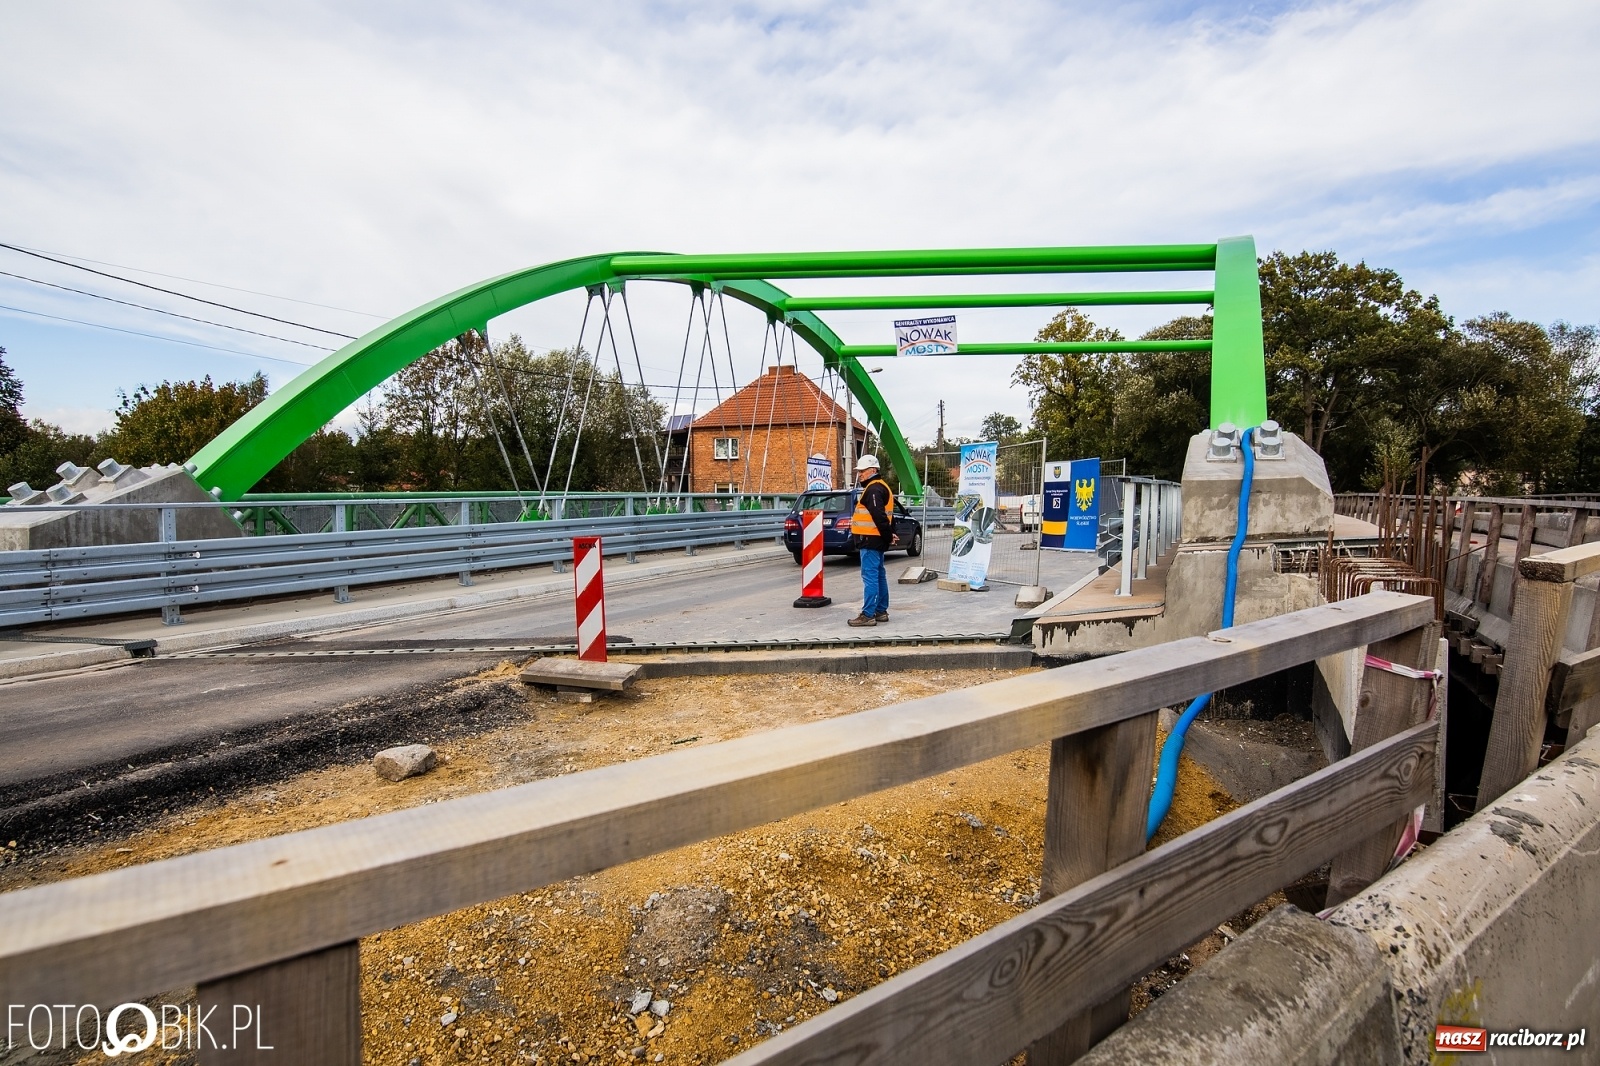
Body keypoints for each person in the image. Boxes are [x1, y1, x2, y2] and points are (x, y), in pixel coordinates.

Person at [847, 454, 897, 627]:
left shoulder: (873, 489)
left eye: (862, 471)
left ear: (873, 470)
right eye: (859, 471)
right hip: (876, 539)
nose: (860, 474)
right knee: (879, 575)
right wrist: (890, 533)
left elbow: (878, 515)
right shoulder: (882, 487)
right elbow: (888, 515)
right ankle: (881, 610)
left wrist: (888, 535)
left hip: (870, 540)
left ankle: (868, 614)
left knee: (870, 577)